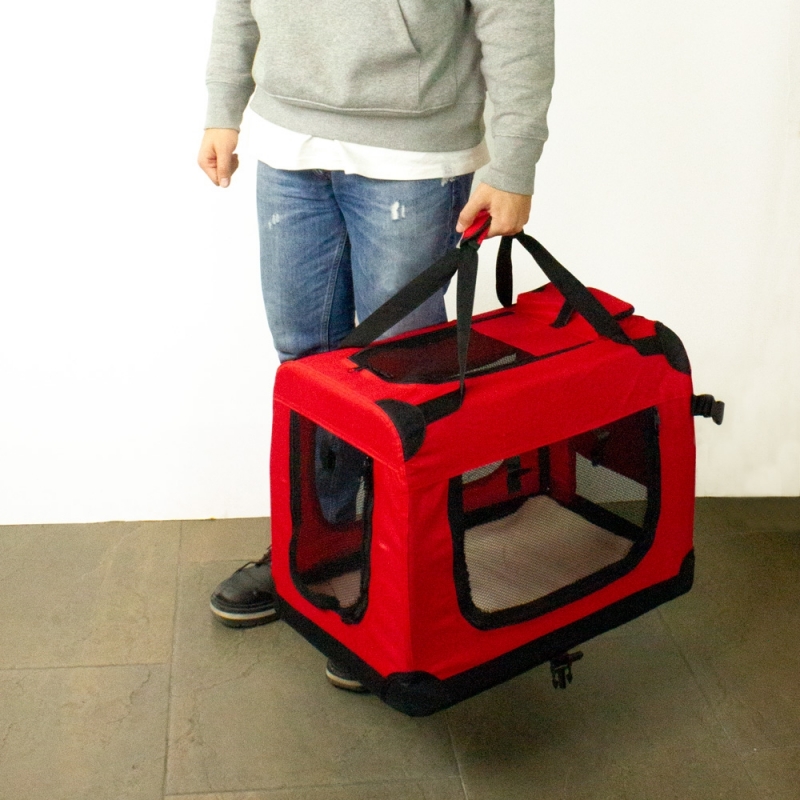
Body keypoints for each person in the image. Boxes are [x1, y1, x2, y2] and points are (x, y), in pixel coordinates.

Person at [198, 0, 555, 691]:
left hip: (414, 152)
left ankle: (397, 582)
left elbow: (516, 14)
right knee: (305, 366)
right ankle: (318, 553)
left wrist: (514, 162)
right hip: (286, 141)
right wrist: (224, 103)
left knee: (400, 379)